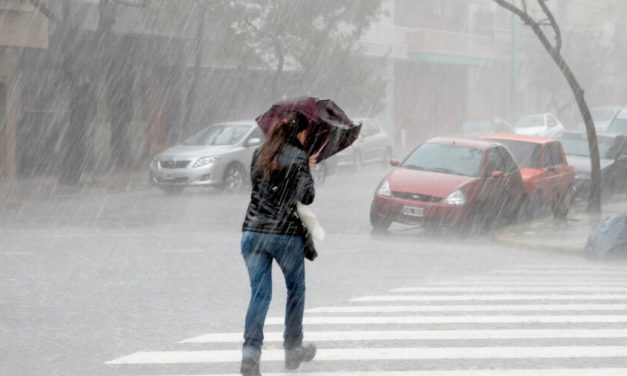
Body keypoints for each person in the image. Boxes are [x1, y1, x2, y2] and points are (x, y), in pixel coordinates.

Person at [240, 111, 317, 376]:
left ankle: (250, 354)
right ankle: (293, 348)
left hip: (252, 232)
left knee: (259, 295)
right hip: (284, 235)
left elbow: (261, 187)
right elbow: (307, 196)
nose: (307, 138)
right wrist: (307, 167)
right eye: (306, 134)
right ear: (299, 133)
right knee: (296, 289)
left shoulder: (259, 154)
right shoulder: (298, 157)